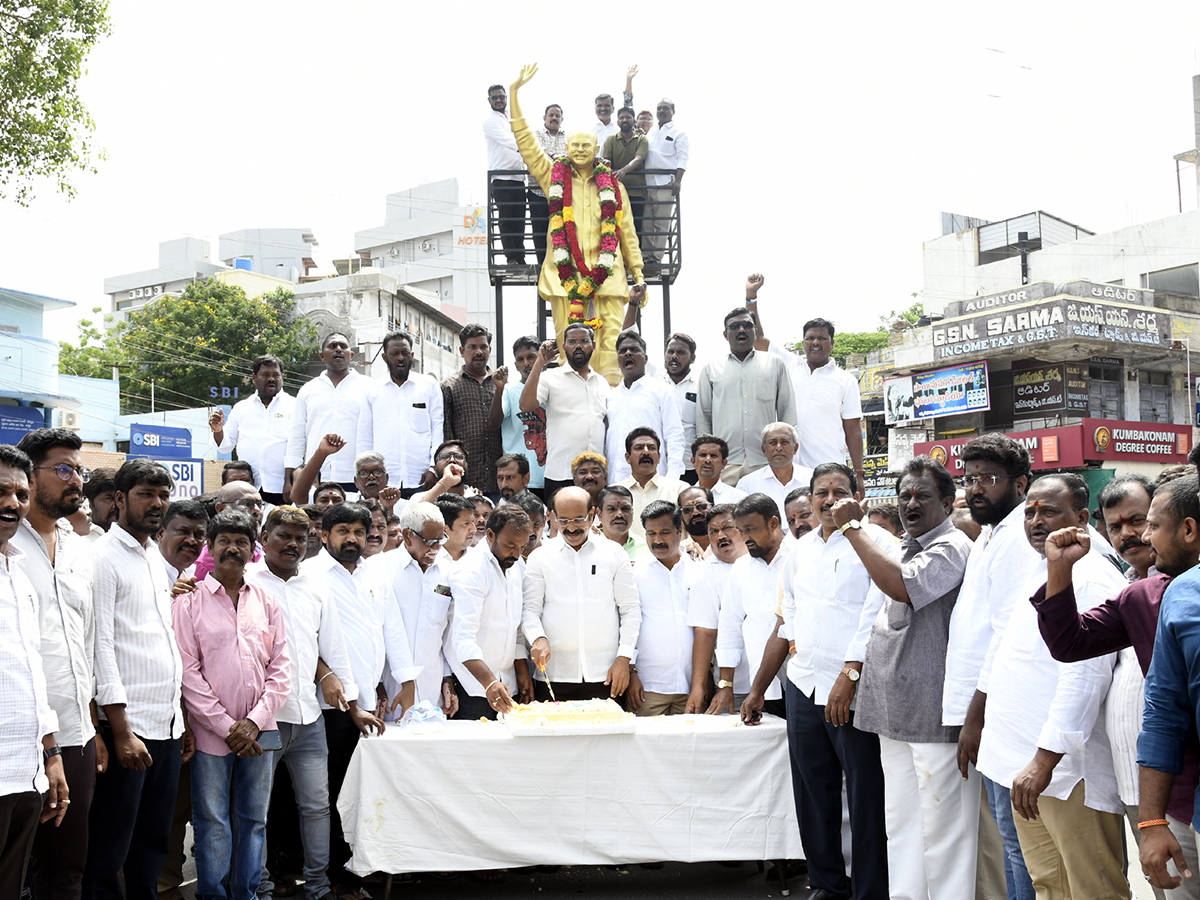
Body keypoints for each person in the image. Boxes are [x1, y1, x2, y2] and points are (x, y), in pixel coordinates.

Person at [1032, 475, 1200, 898]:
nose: (1134, 536)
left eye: (1145, 523)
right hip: (1173, 793)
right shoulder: (1141, 597)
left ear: (1188, 529)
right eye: (1116, 527)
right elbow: (1071, 642)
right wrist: (1059, 568)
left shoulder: (1172, 597)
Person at [743, 463, 896, 900]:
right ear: (809, 499)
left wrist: (850, 676)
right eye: (821, 492)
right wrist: (759, 688)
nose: (829, 500)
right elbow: (787, 620)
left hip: (853, 689)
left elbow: (876, 617)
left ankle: (871, 891)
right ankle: (828, 883)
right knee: (813, 793)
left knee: (866, 796)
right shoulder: (800, 549)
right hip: (804, 685)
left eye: (839, 491)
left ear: (857, 495)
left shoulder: (878, 542)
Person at [975, 475, 1128, 899]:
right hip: (1025, 768)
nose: (1036, 521)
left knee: (1094, 889)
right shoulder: (1045, 568)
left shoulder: (1092, 574)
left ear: (1081, 517)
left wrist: (1044, 762)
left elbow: (1084, 676)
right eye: (1030, 512)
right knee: (1050, 888)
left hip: (1063, 773)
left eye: (1049, 511)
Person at [834, 456, 975, 900]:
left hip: (933, 712)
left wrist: (853, 529)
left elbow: (902, 586)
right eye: (904, 495)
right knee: (902, 822)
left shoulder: (951, 547)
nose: (910, 503)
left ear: (949, 503)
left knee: (944, 828)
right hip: (893, 710)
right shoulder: (905, 545)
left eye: (923, 496)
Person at [245, 505, 378, 900]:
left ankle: (319, 886)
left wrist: (353, 707)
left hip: (309, 717)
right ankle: (262, 885)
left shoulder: (316, 585)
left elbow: (333, 650)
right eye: (283, 536)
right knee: (259, 812)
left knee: (317, 807)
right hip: (263, 719)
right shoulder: (248, 581)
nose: (291, 545)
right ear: (263, 539)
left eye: (299, 539)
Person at [85, 459, 190, 900]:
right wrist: (121, 731)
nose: (157, 504)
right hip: (129, 729)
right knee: (110, 847)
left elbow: (162, 640)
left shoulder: (152, 554)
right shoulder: (102, 558)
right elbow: (101, 648)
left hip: (165, 725)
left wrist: (178, 716)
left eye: (163, 495)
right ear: (119, 500)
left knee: (152, 841)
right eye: (146, 494)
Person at [173, 509, 291, 900]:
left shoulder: (267, 601)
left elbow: (281, 670)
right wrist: (228, 727)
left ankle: (247, 893)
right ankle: (212, 895)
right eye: (224, 540)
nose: (232, 548)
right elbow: (188, 672)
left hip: (260, 734)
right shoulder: (189, 601)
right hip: (211, 736)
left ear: (252, 549)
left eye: (241, 541)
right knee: (211, 821)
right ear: (210, 546)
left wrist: (254, 722)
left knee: (254, 820)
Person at [942, 434, 1040, 900]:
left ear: (1021, 483)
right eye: (970, 478)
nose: (976, 488)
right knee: (1011, 840)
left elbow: (1005, 636)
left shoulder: (1020, 536)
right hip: (992, 712)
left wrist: (975, 718)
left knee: (1022, 844)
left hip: (1007, 713)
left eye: (989, 479)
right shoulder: (989, 533)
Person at [509, 65, 647, 387]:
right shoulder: (553, 176)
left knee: (611, 357)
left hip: (608, 280)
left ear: (597, 150)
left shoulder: (615, 187)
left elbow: (628, 235)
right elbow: (528, 145)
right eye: (576, 145)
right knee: (568, 359)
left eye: (588, 146)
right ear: (566, 149)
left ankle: (612, 424)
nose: (582, 150)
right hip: (563, 279)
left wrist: (638, 274)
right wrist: (515, 94)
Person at [304, 502, 416, 888]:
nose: (351, 539)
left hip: (368, 704)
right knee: (332, 793)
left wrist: (407, 681)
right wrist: (338, 686)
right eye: (342, 532)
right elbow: (307, 640)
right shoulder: (310, 574)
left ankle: (359, 864)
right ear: (324, 535)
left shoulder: (375, 572)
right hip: (329, 706)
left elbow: (392, 629)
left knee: (363, 791)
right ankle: (333, 874)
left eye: (357, 531)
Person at [10, 431, 88, 900]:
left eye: (78, 469)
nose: (74, 479)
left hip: (76, 734)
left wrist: (98, 723)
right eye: (62, 469)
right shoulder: (6, 541)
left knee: (65, 870)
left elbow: (91, 639)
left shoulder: (79, 546)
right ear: (29, 475)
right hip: (19, 737)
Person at [0, 444, 67, 899]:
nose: (12, 504)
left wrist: (50, 753)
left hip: (24, 774)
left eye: (20, 495)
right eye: (1, 492)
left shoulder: (19, 576)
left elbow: (31, 673)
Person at [523, 486, 640, 702]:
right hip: (553, 674)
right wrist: (538, 637)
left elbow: (630, 609)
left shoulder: (614, 553)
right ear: (553, 518)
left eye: (579, 519)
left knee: (606, 735)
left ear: (592, 515)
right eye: (564, 521)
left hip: (607, 673)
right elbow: (530, 609)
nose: (571, 528)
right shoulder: (540, 558)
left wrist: (624, 659)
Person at [748, 276, 865, 480]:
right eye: (810, 338)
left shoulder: (845, 380)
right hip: (789, 470)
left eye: (822, 338)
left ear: (832, 343)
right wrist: (751, 297)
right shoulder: (790, 364)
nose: (815, 343)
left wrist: (859, 474)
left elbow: (853, 430)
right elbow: (757, 339)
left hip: (828, 470)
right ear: (803, 342)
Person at [712, 493, 794, 719]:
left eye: (751, 529)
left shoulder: (798, 556)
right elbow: (730, 624)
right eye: (741, 530)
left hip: (802, 678)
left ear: (773, 523)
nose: (745, 537)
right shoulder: (741, 568)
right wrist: (725, 684)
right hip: (764, 686)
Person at [449, 505, 534, 719]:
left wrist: (521, 670)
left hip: (506, 684)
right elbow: (463, 639)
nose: (516, 554)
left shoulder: (516, 565)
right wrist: (490, 683)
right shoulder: (471, 570)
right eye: (510, 545)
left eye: (522, 547)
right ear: (489, 535)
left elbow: (513, 626)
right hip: (474, 689)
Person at [696, 307, 796, 485]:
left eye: (747, 325)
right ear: (725, 334)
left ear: (756, 332)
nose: (741, 330)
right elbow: (703, 416)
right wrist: (708, 457)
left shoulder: (774, 363)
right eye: (734, 326)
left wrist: (784, 456)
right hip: (725, 463)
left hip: (764, 460)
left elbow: (786, 410)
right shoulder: (711, 368)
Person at [383, 502, 459, 715]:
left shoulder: (448, 571)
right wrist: (378, 684)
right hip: (390, 691)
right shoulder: (382, 570)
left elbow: (446, 636)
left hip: (431, 692)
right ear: (407, 535)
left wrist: (447, 678)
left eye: (440, 541)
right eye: (429, 542)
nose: (436, 549)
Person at [521, 327, 610, 494]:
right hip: (561, 475)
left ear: (594, 345)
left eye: (584, 341)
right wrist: (539, 362)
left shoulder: (602, 382)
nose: (578, 346)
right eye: (572, 342)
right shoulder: (550, 377)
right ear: (563, 347)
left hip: (595, 476)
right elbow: (526, 405)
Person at [357, 331, 444, 495]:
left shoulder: (429, 385)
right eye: (394, 354)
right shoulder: (372, 389)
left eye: (405, 353)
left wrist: (434, 468)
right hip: (382, 480)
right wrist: (364, 474)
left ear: (412, 355)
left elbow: (438, 429)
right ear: (384, 357)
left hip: (422, 479)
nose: (400, 358)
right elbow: (365, 435)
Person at [628, 501, 693, 715]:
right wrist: (632, 673)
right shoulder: (634, 574)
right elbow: (626, 625)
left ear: (680, 531)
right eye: (651, 533)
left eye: (665, 532)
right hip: (647, 688)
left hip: (690, 688)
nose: (657, 540)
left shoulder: (698, 571)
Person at [684, 504, 748, 713]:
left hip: (780, 680)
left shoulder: (763, 561)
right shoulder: (706, 574)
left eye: (728, 527)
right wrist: (698, 687)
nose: (721, 535)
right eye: (713, 531)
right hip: (735, 686)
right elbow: (705, 633)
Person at [286, 333, 370, 491]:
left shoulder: (368, 387)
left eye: (343, 346)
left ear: (351, 355)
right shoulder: (308, 390)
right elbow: (296, 436)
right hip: (316, 478)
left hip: (358, 478)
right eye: (332, 346)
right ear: (322, 355)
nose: (338, 349)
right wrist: (289, 478)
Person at [209, 355, 297, 504]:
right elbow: (225, 446)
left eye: (276, 375)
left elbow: (299, 447)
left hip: (282, 489)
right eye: (265, 375)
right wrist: (218, 430)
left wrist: (289, 482)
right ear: (254, 378)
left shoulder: (295, 406)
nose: (271, 379)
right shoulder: (242, 407)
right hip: (247, 488)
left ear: (282, 377)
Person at [605, 329, 685, 483]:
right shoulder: (611, 396)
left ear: (646, 358)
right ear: (618, 360)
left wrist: (672, 479)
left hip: (654, 481)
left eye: (634, 350)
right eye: (622, 351)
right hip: (616, 482)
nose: (628, 353)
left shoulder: (663, 390)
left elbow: (675, 435)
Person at [442, 323, 503, 495]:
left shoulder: (501, 385)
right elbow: (447, 435)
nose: (479, 352)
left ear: (490, 349)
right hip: (464, 481)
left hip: (497, 479)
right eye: (472, 347)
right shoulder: (449, 387)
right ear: (462, 351)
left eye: (483, 347)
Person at [489, 336, 546, 495]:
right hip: (518, 478)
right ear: (516, 365)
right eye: (520, 359)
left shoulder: (553, 386)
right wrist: (499, 389)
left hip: (551, 476)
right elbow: (493, 423)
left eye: (532, 357)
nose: (526, 363)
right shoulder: (509, 390)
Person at [617, 427, 688, 540]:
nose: (646, 452)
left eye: (651, 448)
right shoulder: (614, 493)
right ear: (627, 457)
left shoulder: (680, 489)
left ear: (659, 457)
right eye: (639, 448)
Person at [642, 97, 689, 267]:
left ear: (672, 112)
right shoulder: (651, 132)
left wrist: (678, 180)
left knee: (661, 222)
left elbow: (682, 158)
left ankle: (656, 258)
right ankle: (646, 257)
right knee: (647, 221)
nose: (661, 111)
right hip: (648, 182)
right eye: (659, 108)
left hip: (665, 182)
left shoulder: (678, 133)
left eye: (665, 109)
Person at [483, 83, 526, 266]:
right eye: (495, 97)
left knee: (520, 220)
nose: (499, 100)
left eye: (502, 97)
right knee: (506, 219)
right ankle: (511, 257)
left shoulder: (511, 120)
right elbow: (510, 142)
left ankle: (521, 256)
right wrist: (528, 149)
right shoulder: (490, 122)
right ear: (489, 100)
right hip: (501, 178)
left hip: (518, 177)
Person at [735, 422, 814, 516]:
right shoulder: (747, 484)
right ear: (764, 450)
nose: (779, 448)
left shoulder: (812, 478)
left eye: (784, 442)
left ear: (795, 448)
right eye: (773, 443)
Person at [194, 481, 264, 579]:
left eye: (259, 504)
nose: (257, 510)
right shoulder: (203, 564)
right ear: (221, 509)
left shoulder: (262, 551)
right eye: (247, 504)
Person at [1096, 474, 1157, 581]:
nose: (1125, 534)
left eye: (1136, 521)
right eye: (1115, 528)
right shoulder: (1119, 586)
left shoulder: (1187, 584)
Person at [528, 104, 567, 268]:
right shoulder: (536, 134)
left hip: (561, 193)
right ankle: (542, 265)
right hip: (538, 191)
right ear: (544, 118)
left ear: (562, 119)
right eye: (551, 115)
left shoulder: (567, 137)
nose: (554, 118)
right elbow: (537, 150)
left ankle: (560, 265)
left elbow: (570, 157)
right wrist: (554, 156)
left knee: (560, 230)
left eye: (557, 116)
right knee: (540, 229)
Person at [602, 107, 648, 239]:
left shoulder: (641, 139)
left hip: (637, 191)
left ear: (634, 121)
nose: (624, 120)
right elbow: (607, 160)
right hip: (617, 192)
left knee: (635, 227)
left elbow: (639, 158)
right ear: (617, 122)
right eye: (621, 118)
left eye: (628, 117)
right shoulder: (611, 140)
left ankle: (635, 259)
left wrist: (623, 170)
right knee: (616, 227)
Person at [661, 333, 699, 483]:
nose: (674, 356)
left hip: (690, 466)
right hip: (661, 465)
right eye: (670, 352)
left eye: (681, 352)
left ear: (693, 358)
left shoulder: (700, 386)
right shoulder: (656, 385)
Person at [158, 499, 208, 582]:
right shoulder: (145, 573)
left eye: (199, 535)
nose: (191, 541)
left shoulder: (194, 574)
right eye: (183, 532)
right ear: (160, 534)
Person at [597, 484, 649, 565]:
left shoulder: (646, 549)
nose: (619, 514)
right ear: (599, 514)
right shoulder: (589, 546)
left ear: (633, 512)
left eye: (625, 509)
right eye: (611, 509)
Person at [691, 434, 747, 505]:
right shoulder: (685, 497)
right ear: (693, 461)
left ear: (724, 463)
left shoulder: (738, 498)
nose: (708, 460)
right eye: (703, 455)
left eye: (713, 456)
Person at [436, 494, 477, 564]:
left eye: (473, 522)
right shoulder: (429, 561)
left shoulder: (478, 558)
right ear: (445, 530)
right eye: (465, 523)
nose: (474, 529)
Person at [83, 466, 118, 535]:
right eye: (108, 498)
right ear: (88, 502)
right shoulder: (77, 539)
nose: (116, 505)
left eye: (119, 498)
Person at [678, 486, 713, 555]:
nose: (695, 513)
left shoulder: (730, 546)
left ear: (713, 508)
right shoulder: (678, 553)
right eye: (687, 510)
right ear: (681, 517)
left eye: (702, 506)